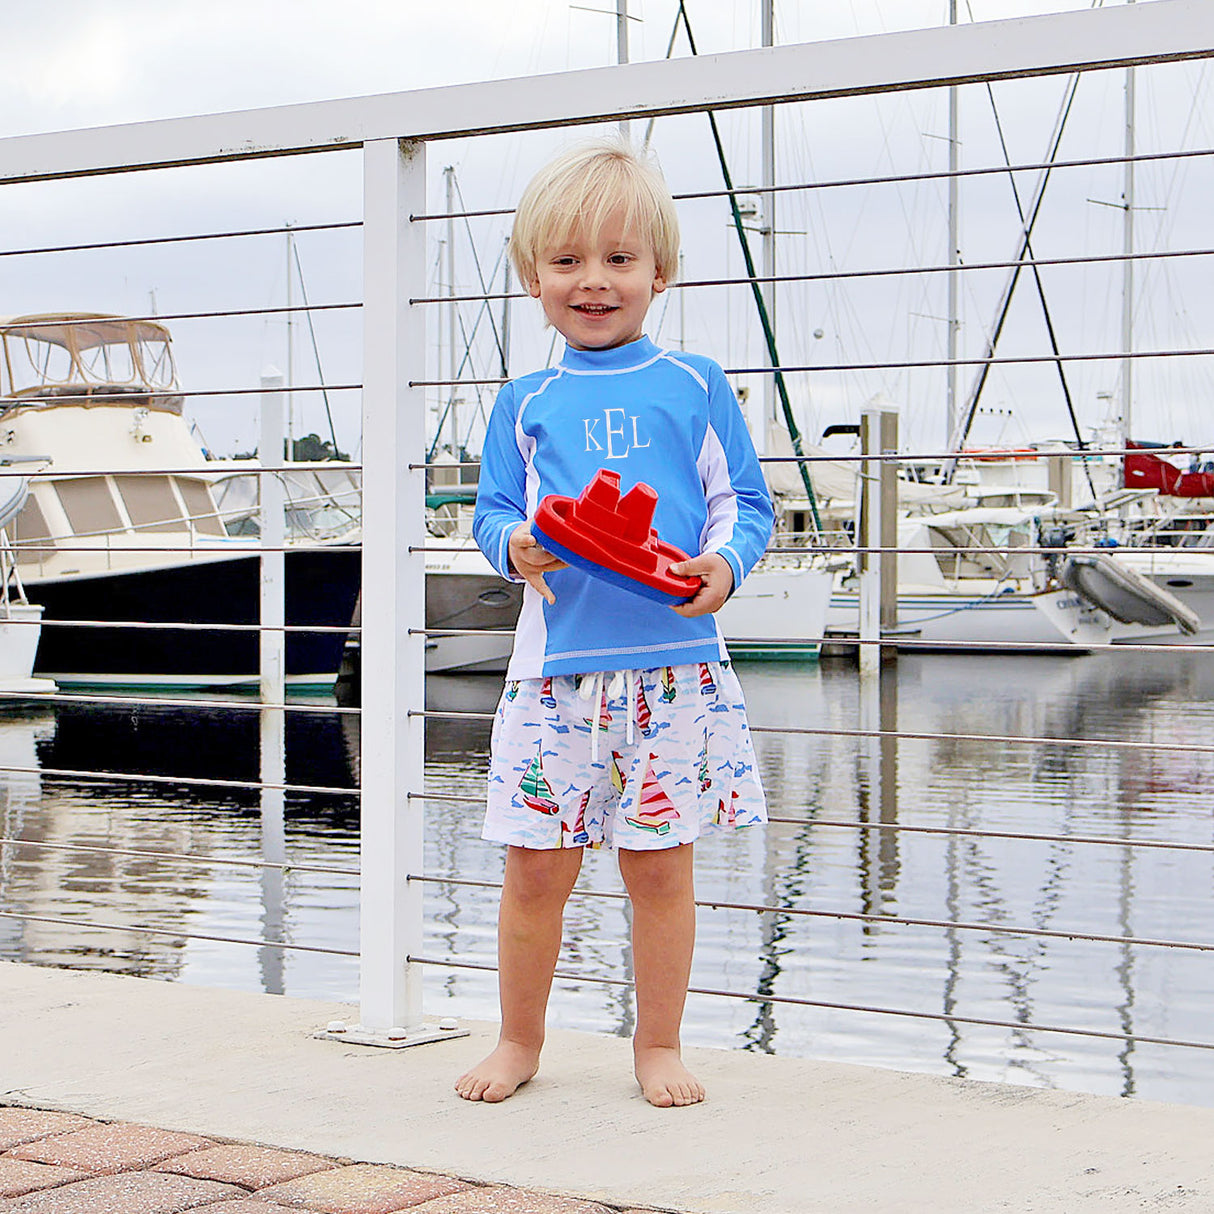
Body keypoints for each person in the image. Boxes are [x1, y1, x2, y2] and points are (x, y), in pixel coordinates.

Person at [457, 141, 773, 1108]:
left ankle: (660, 1045)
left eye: (620, 259)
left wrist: (724, 568)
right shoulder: (525, 400)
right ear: (532, 277)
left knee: (659, 873)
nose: (593, 281)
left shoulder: (696, 383)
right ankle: (519, 1040)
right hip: (555, 675)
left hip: (675, 671)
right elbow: (490, 512)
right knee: (534, 872)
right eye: (567, 261)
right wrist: (515, 547)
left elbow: (746, 505)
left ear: (659, 272)